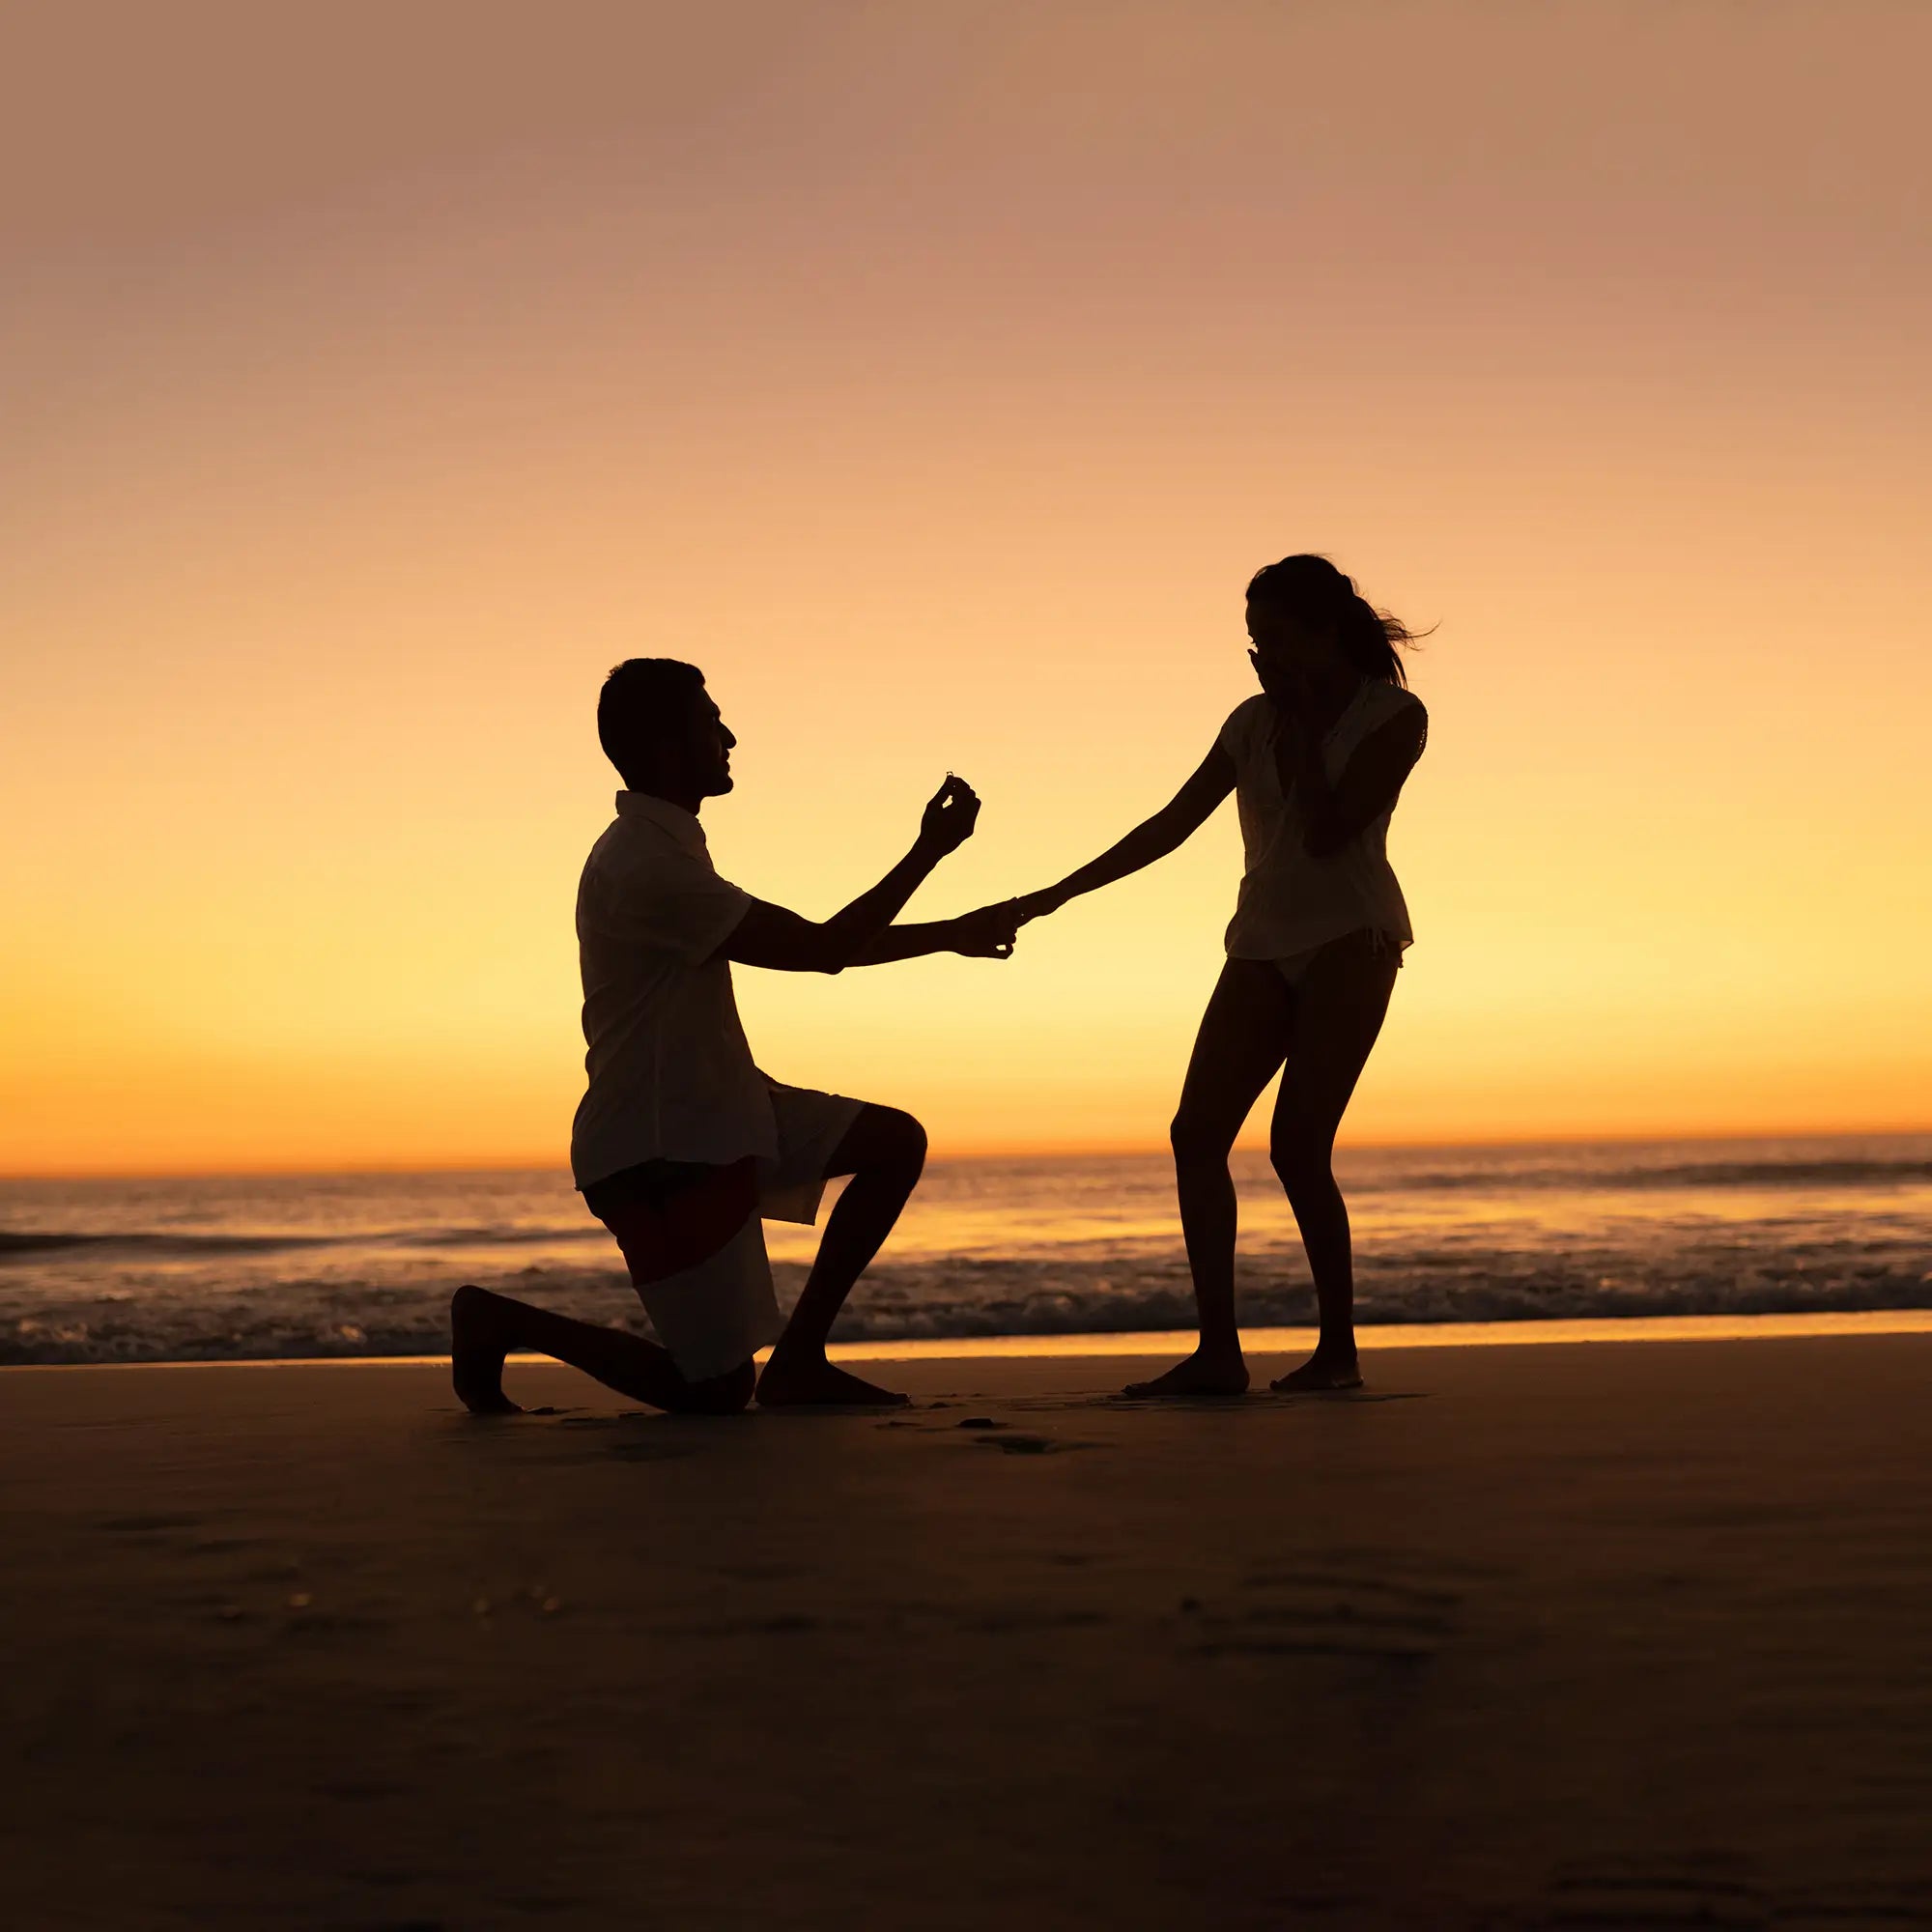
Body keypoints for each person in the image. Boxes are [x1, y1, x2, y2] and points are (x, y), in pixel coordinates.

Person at [451, 657, 1019, 1415]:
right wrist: (941, 894)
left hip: (724, 1108)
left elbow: (820, 946)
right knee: (713, 1392)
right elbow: (820, 952)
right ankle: (500, 1319)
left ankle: (802, 1362)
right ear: (665, 748)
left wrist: (939, 890)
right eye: (710, 722)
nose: (729, 736)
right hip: (661, 1147)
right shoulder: (647, 866)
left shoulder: (666, 848)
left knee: (893, 1142)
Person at [1010, 555, 1428, 1397]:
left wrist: (1306, 723)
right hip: (1261, 942)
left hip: (1354, 937)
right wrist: (1055, 894)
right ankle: (1218, 1354)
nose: (1257, 656)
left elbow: (1326, 834)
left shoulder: (1394, 716)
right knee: (1195, 1134)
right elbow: (1170, 823)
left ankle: (1337, 1355)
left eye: (1272, 639)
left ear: (1321, 633)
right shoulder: (1248, 721)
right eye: (1251, 641)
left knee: (1298, 1148)